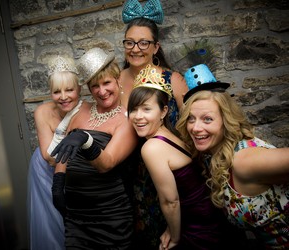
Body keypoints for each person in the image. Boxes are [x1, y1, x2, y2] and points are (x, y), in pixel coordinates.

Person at [176, 64, 289, 249]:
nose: (195, 128)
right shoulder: (212, 153)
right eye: (191, 118)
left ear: (226, 121)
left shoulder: (244, 161)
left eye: (207, 119)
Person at [127, 64, 225, 249]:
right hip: (208, 215)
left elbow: (170, 201)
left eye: (146, 109)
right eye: (133, 109)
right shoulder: (173, 135)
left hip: (198, 226)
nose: (138, 116)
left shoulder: (151, 147)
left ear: (163, 111)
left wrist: (175, 235)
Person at [50, 47, 138, 249]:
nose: (102, 91)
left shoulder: (126, 119)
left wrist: (85, 139)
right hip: (76, 215)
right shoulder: (81, 110)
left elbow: (106, 164)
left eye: (107, 82)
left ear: (117, 80)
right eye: (95, 86)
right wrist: (58, 184)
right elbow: (64, 151)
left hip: (110, 214)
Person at [119, 1, 189, 248]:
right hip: (134, 181)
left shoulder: (173, 80)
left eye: (143, 42)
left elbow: (192, 125)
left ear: (156, 46)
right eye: (129, 42)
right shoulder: (114, 83)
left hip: (172, 176)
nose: (135, 49)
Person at [27, 55, 83, 250]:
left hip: (74, 170)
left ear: (79, 89)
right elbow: (49, 156)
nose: (64, 96)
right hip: (45, 169)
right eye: (56, 91)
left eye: (69, 89)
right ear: (50, 92)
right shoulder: (41, 112)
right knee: (51, 219)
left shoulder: (86, 111)